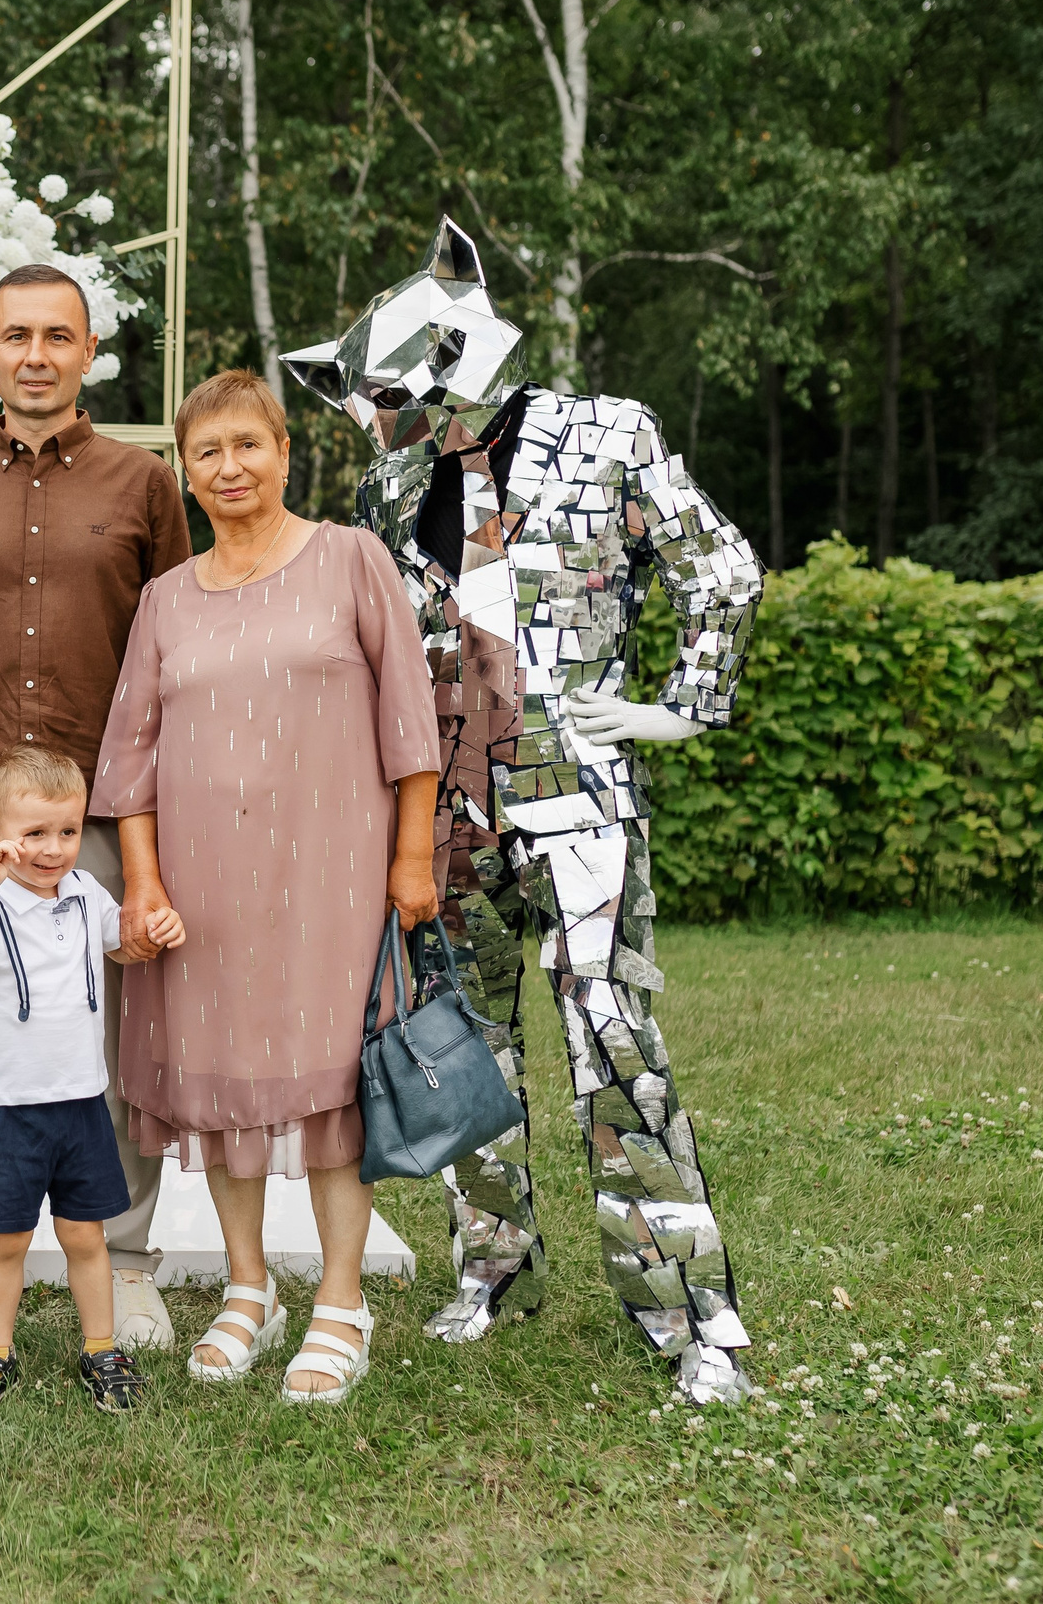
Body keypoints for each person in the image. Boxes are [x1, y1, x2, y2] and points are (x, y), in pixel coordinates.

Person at [280, 218, 764, 1404]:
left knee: (618, 1051)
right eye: (372, 399)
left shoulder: (607, 433)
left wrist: (679, 708)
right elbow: (379, 651)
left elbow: (723, 569)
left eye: (399, 389)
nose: (388, 415)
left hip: (580, 805)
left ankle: (692, 1323)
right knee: (464, 1052)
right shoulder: (389, 482)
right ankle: (491, 1271)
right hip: (446, 816)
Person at [92, 369, 443, 1405]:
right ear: (185, 472)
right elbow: (129, 763)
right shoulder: (163, 600)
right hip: (201, 890)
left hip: (331, 877)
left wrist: (412, 858)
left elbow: (409, 723)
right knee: (223, 1082)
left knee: (329, 1081)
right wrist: (143, 887)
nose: (229, 467)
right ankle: (248, 1289)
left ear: (285, 453)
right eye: (207, 452)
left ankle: (341, 1300)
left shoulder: (349, 559)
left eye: (248, 445)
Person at [0, 264, 192, 1354]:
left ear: (88, 350)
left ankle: (132, 1257)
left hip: (108, 807)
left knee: (118, 1031)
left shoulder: (144, 486)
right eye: (15, 334)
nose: (35, 354)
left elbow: (174, 655)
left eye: (56, 336)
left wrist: (167, 809)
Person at [0, 749, 183, 1414]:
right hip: (11, 1113)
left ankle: (101, 1346)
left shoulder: (84, 893)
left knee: (85, 1236)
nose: (53, 848)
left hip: (80, 1108)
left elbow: (118, 945)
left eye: (67, 831)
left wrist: (149, 930)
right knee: (5, 1243)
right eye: (34, 833)